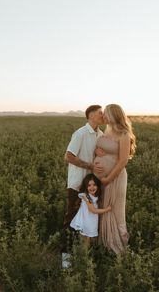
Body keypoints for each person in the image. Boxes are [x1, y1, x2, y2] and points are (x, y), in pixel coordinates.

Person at [93, 104, 136, 254]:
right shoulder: (107, 129)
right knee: (103, 206)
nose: (103, 117)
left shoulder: (124, 134)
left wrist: (108, 178)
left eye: (105, 114)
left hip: (115, 178)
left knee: (115, 209)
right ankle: (104, 243)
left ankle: (119, 246)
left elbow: (123, 160)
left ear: (113, 115)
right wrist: (100, 153)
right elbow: (112, 152)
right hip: (101, 178)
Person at [61, 105, 104, 254]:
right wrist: (89, 166)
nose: (103, 115)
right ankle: (66, 260)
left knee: (88, 222)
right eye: (100, 113)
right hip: (77, 185)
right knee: (71, 221)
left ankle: (84, 257)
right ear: (91, 115)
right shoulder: (80, 133)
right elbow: (69, 156)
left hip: (92, 187)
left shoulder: (101, 135)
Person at [70, 173, 111, 246]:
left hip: (91, 221)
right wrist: (107, 209)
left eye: (94, 185)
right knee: (84, 241)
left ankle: (86, 254)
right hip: (85, 221)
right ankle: (83, 255)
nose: (92, 187)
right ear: (86, 187)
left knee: (88, 240)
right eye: (89, 185)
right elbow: (93, 210)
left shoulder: (96, 196)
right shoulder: (86, 197)